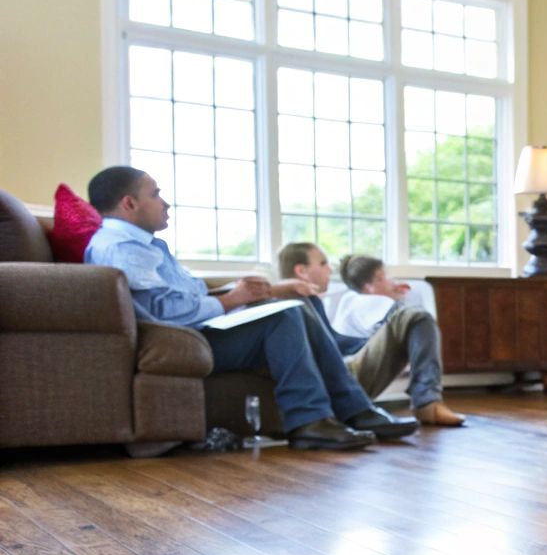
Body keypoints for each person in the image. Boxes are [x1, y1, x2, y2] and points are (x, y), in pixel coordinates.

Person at [83, 166, 417, 450]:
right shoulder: (123, 248)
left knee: (292, 308)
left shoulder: (144, 245)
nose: (165, 203)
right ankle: (312, 420)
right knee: (285, 316)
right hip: (180, 339)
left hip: (196, 330)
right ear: (129, 203)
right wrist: (231, 300)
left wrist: (245, 292)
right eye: (155, 194)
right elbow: (165, 310)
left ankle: (354, 410)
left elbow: (187, 293)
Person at [276, 244, 465, 427]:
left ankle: (427, 401)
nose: (329, 269)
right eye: (323, 263)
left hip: (340, 375)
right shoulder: (295, 305)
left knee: (415, 318)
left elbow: (331, 344)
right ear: (301, 271)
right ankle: (427, 402)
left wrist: (376, 343)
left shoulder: (310, 301)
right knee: (416, 317)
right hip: (335, 384)